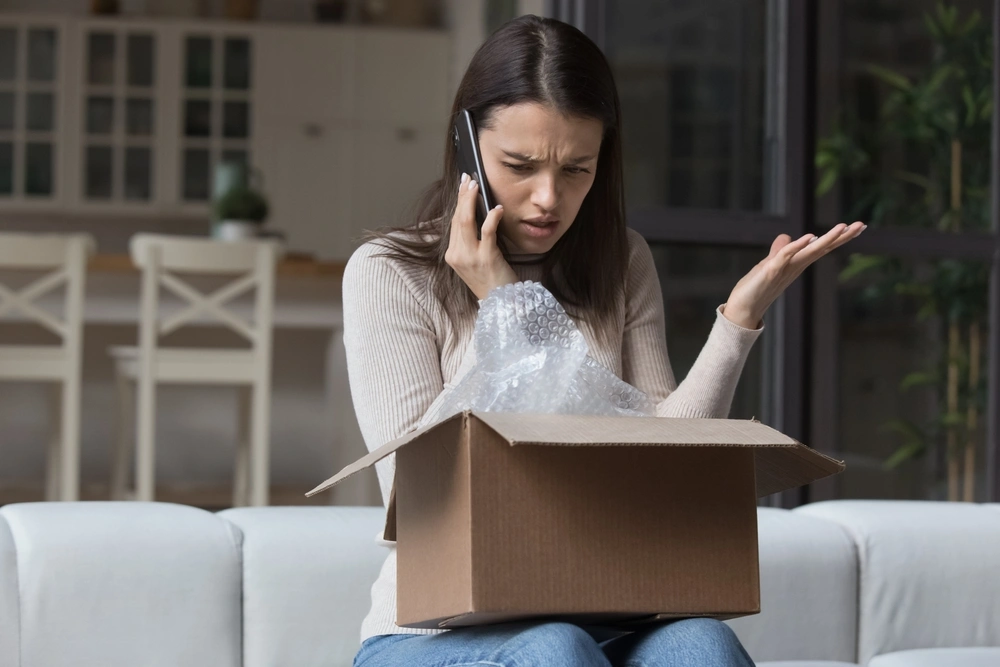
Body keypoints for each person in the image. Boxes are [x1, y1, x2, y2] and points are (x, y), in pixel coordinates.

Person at [344, 14, 864, 667]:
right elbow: (419, 492)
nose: (547, 198)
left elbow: (665, 452)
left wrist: (737, 320)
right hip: (432, 630)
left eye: (577, 169)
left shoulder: (622, 262)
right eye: (519, 164)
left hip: (610, 609)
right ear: (467, 150)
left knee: (703, 643)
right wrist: (505, 304)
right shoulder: (388, 272)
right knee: (555, 649)